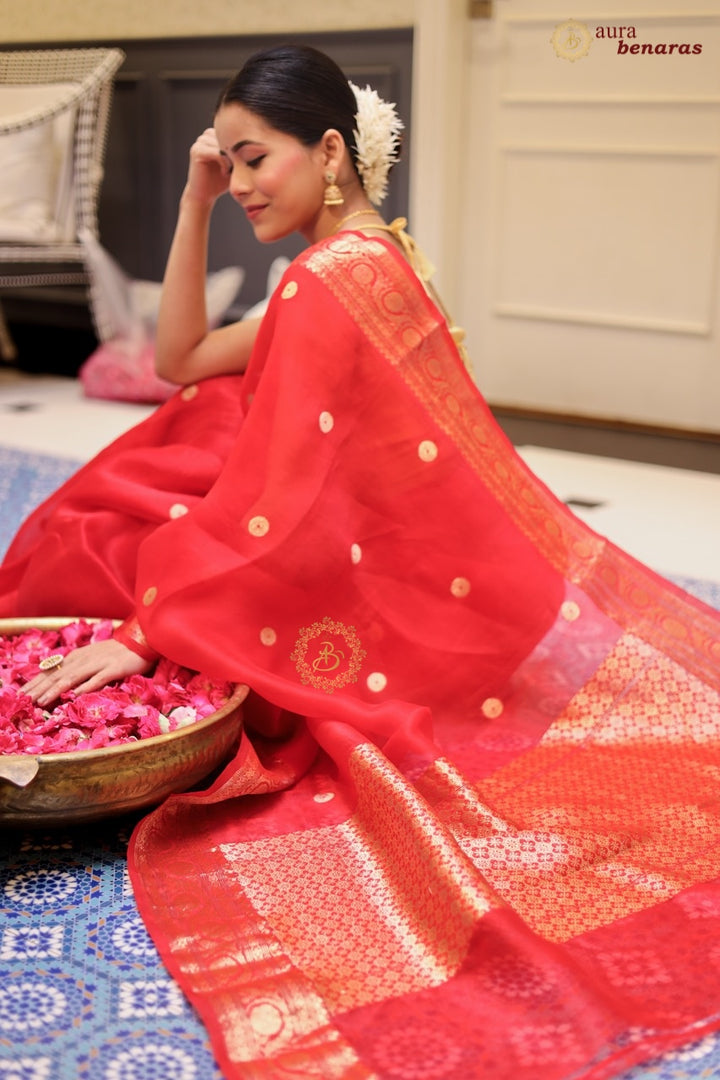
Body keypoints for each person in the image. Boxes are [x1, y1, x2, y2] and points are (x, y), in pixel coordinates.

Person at [3, 43, 720, 1080]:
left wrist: (145, 630)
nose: (242, 181)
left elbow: (275, 511)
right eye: (229, 163)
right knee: (146, 475)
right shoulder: (373, 259)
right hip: (458, 598)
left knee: (95, 541)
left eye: (255, 161)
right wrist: (196, 199)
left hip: (375, 594)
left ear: (330, 150)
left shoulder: (326, 284)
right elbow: (180, 364)